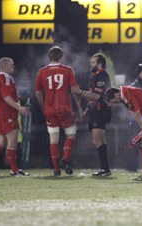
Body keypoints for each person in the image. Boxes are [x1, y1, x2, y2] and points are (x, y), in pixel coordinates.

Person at [35, 46, 98, 176]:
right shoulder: (67, 70)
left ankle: (56, 169)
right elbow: (75, 91)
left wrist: (43, 108)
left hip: (50, 110)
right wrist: (80, 108)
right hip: (65, 109)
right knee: (71, 134)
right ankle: (65, 158)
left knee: (53, 138)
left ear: (49, 57)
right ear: (61, 57)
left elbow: (38, 94)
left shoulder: (41, 72)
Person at [0, 57, 30, 176]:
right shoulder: (6, 78)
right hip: (7, 113)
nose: (13, 66)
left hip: (1, 112)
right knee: (12, 143)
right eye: (11, 64)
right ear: (4, 65)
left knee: (1, 142)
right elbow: (6, 96)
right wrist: (19, 108)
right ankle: (14, 170)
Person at [87, 53, 113, 176]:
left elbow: (97, 96)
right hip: (96, 111)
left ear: (100, 64)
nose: (90, 65)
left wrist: (79, 92)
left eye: (93, 63)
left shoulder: (101, 76)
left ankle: (105, 169)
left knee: (97, 139)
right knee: (99, 140)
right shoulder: (97, 76)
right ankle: (105, 168)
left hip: (100, 111)